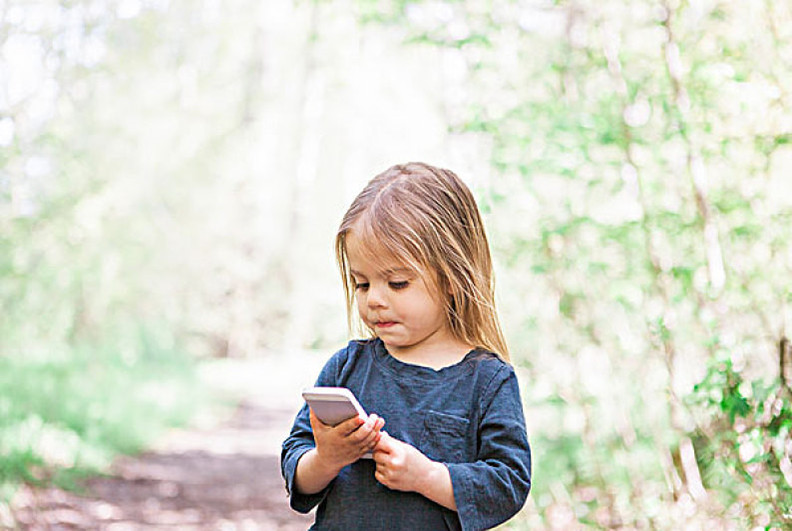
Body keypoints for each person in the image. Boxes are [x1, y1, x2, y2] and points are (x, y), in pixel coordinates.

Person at [280, 162, 532, 530]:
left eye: (397, 283)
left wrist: (427, 476)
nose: (373, 300)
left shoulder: (488, 381)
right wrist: (327, 458)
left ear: (452, 279)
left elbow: (508, 484)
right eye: (362, 284)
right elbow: (297, 469)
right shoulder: (346, 368)